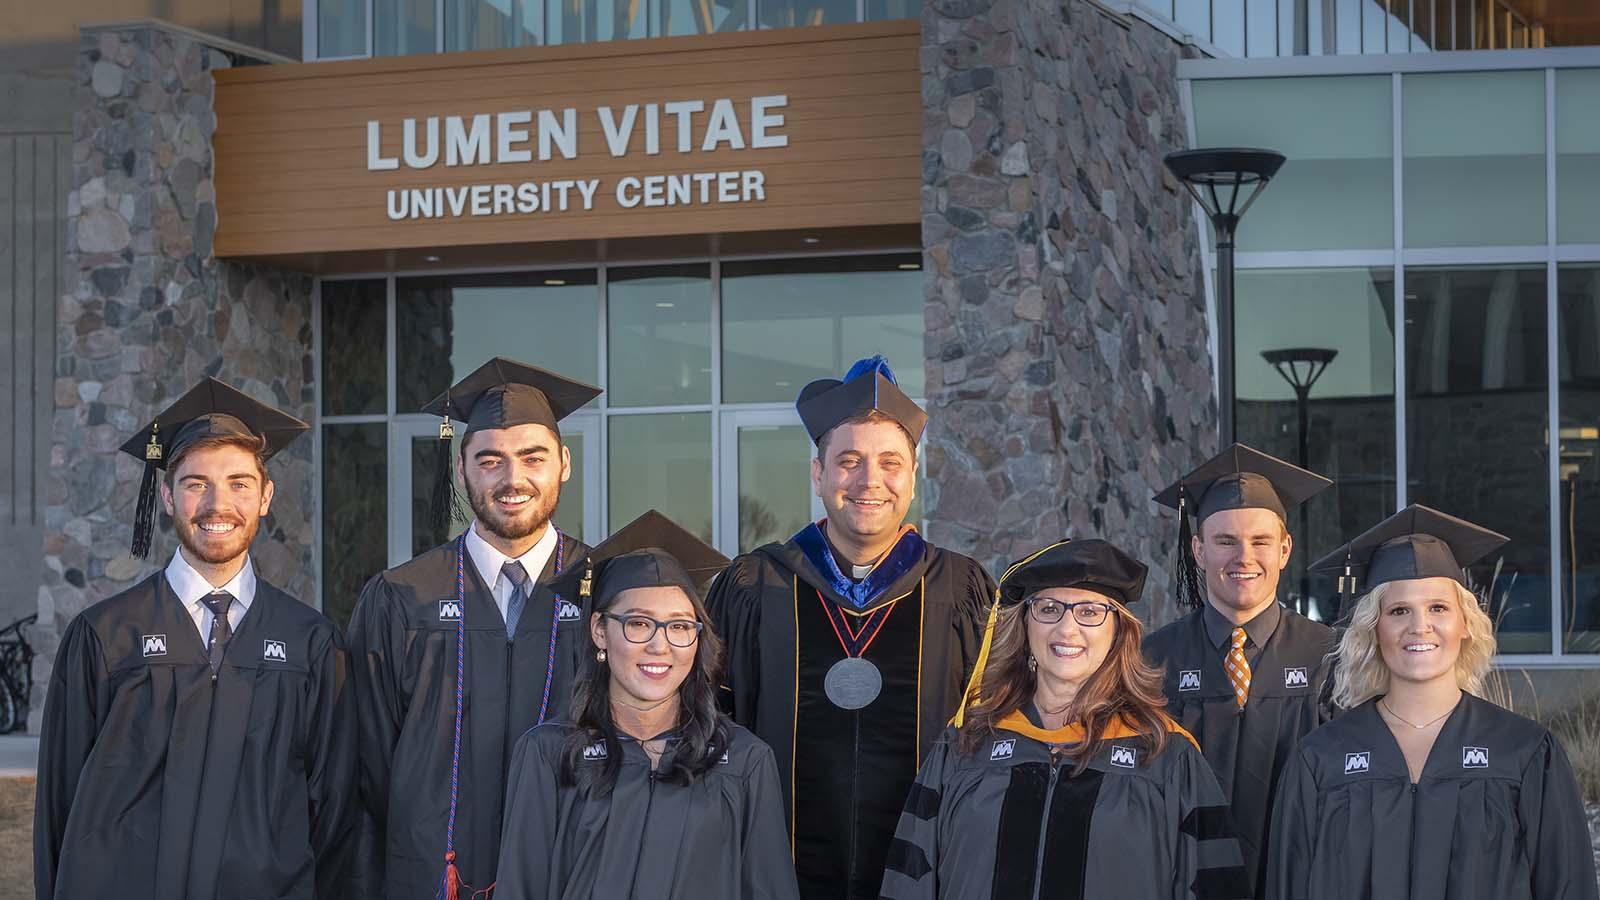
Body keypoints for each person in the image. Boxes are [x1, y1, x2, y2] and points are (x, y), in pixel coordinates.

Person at [34, 377, 354, 900]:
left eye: (239, 483)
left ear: (266, 496)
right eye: (195, 483)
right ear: (166, 495)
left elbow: (333, 810)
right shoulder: (106, 636)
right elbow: (58, 806)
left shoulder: (311, 643)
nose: (217, 503)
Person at [707, 356, 994, 900]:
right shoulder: (754, 588)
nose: (870, 481)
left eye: (890, 462)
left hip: (932, 875)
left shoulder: (961, 591)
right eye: (849, 461)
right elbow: (713, 730)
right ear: (818, 474)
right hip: (775, 875)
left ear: (912, 477)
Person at [345, 357, 600, 899]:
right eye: (491, 460)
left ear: (565, 463)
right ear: (461, 470)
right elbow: (367, 766)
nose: (513, 479)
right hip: (433, 879)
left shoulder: (607, 591)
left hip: (574, 874)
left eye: (533, 458)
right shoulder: (400, 598)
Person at [881, 538, 1249, 900]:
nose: (1067, 629)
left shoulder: (1166, 756)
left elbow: (1215, 885)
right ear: (1025, 625)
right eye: (1048, 608)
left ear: (1118, 630)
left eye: (1089, 611)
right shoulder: (966, 746)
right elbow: (910, 880)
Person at [1267, 505, 1598, 900]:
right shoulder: (1320, 760)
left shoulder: (1524, 754)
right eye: (1398, 611)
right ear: (1374, 630)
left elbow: (1568, 888)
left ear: (1464, 625)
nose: (1419, 626)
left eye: (1438, 608)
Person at [495, 510, 799, 900]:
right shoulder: (549, 754)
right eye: (639, 623)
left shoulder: (742, 759)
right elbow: (521, 888)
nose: (661, 645)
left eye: (679, 626)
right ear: (600, 632)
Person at [1142, 443, 1338, 897]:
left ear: (1285, 549)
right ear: (1198, 550)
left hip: (1302, 879)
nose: (1243, 557)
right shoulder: (1153, 659)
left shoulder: (1330, 656)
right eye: (1225, 540)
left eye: (1261, 541)